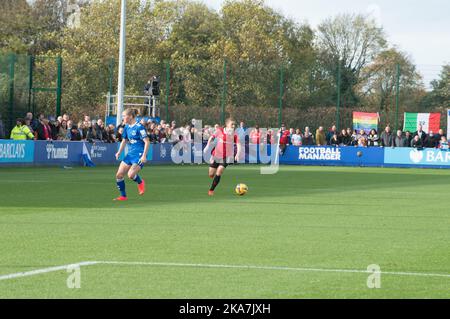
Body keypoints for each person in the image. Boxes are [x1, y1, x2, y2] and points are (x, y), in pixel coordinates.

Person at [114, 108, 150, 201]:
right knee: (119, 175)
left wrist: (144, 155)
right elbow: (124, 140)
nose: (123, 118)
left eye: (124, 116)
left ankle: (140, 182)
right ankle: (123, 196)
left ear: (130, 116)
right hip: (130, 154)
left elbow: (147, 141)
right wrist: (119, 152)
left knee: (130, 175)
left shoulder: (139, 127)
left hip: (139, 154)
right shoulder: (126, 127)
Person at [205, 118, 242, 196]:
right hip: (216, 155)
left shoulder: (234, 134)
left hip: (227, 156)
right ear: (227, 124)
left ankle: (211, 190)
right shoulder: (220, 131)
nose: (233, 126)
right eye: (232, 124)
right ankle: (213, 176)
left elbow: (239, 144)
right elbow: (211, 138)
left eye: (234, 124)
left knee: (220, 171)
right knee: (211, 174)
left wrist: (237, 154)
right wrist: (207, 146)